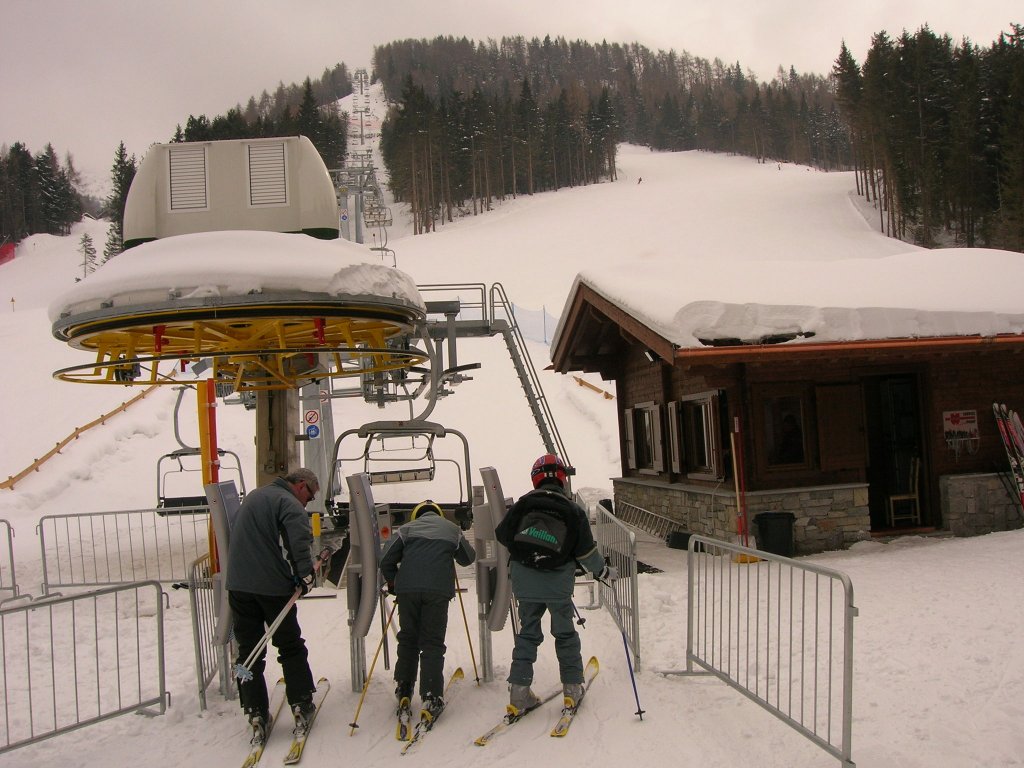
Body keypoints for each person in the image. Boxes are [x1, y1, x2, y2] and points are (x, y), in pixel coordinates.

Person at [497, 454, 615, 713]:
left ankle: (518, 692)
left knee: (527, 633)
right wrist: (603, 572)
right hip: (557, 585)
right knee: (564, 634)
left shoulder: (524, 504)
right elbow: (586, 552)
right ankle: (572, 688)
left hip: (524, 582)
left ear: (535, 478)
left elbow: (502, 534)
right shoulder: (572, 510)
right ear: (562, 479)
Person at [226, 468, 321, 741]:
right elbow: (299, 543)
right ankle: (301, 702)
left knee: (248, 651)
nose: (308, 502)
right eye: (310, 496)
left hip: (239, 586)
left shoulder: (256, 496)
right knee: (290, 645)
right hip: (271, 589)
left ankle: (254, 709)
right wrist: (305, 576)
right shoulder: (288, 504)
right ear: (301, 485)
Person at [380, 500, 476, 720]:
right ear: (439, 514)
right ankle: (431, 695)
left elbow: (385, 559)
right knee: (432, 642)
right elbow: (468, 558)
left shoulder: (405, 530)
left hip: (408, 591)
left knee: (408, 638)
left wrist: (394, 582)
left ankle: (404, 688)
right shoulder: (451, 530)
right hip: (437, 591)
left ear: (416, 515)